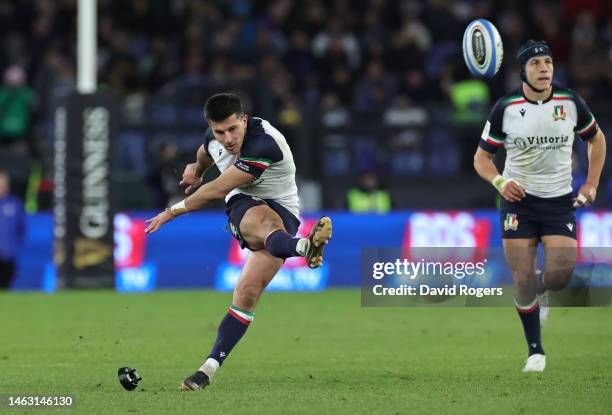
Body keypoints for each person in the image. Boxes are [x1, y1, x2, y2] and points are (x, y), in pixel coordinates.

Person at [144, 93, 332, 390]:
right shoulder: (214, 136)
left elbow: (217, 189)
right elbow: (206, 151)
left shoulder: (263, 144)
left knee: (246, 293)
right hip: (244, 203)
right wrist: (197, 169)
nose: (228, 138)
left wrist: (172, 211)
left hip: (283, 209)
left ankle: (207, 369)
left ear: (244, 120)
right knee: (261, 222)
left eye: (233, 129)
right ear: (212, 127)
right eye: (221, 131)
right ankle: (303, 247)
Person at [473, 41, 606, 372]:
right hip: (519, 204)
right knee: (521, 279)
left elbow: (597, 139)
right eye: (536, 64)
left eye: (548, 62)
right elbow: (481, 159)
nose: (545, 68)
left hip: (559, 201)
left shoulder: (571, 102)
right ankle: (535, 351)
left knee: (559, 276)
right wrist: (502, 182)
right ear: (523, 71)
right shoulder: (505, 109)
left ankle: (541, 289)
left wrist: (591, 183)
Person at [0, 170, 26, 289]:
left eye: (4, 184)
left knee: (6, 283)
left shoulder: (14, 203)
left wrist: (14, 245)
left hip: (8, 253)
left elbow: (21, 227)